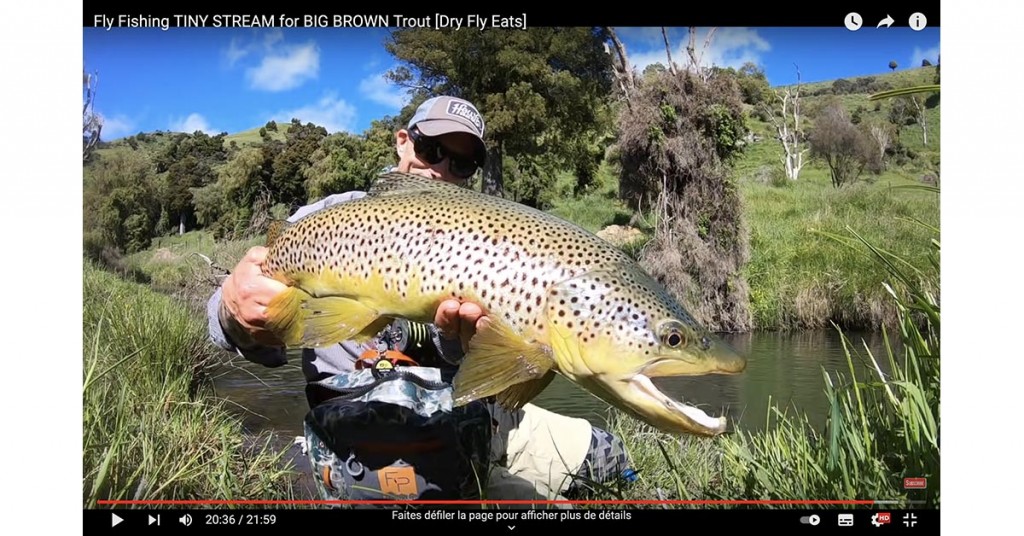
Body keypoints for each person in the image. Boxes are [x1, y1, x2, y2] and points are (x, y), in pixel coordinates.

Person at [206, 95, 633, 503]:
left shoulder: (490, 238)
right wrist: (232, 306)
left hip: (468, 415)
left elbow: (501, 371)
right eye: (431, 149)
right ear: (403, 140)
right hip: (364, 425)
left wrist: (480, 345)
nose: (441, 168)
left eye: (461, 162)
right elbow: (229, 324)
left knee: (614, 461)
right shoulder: (329, 219)